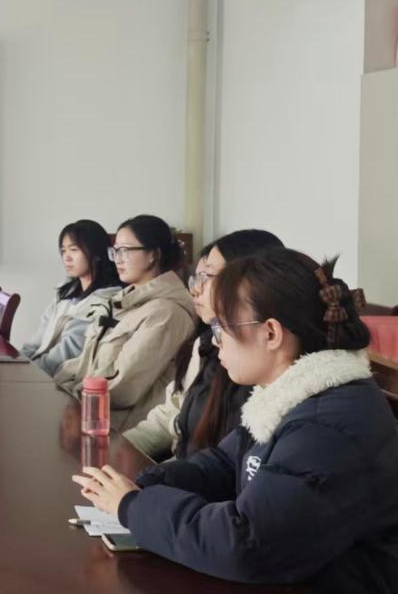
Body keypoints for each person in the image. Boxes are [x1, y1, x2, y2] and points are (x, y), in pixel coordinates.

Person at [75, 248, 398, 589]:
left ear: (271, 333)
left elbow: (248, 544)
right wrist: (145, 484)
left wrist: (134, 507)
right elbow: (225, 464)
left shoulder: (326, 426)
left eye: (222, 327)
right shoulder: (289, 396)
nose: (217, 342)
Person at [124, 229, 283, 461]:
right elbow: (174, 415)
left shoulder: (261, 371)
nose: (196, 289)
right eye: (196, 277)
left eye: (207, 276)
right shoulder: (207, 342)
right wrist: (118, 449)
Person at [53, 214, 196, 430]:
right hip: (88, 410)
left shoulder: (165, 312)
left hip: (119, 428)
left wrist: (72, 394)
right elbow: (85, 363)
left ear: (153, 254)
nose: (118, 259)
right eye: (115, 251)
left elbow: (123, 389)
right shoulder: (125, 301)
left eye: (126, 251)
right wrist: (59, 384)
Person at [21, 220, 122, 375]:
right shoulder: (64, 293)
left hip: (58, 379)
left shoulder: (106, 301)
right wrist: (18, 362)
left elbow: (65, 355)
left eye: (74, 250)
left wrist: (26, 373)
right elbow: (35, 341)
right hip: (37, 371)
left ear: (96, 254)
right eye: (63, 250)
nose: (66, 257)